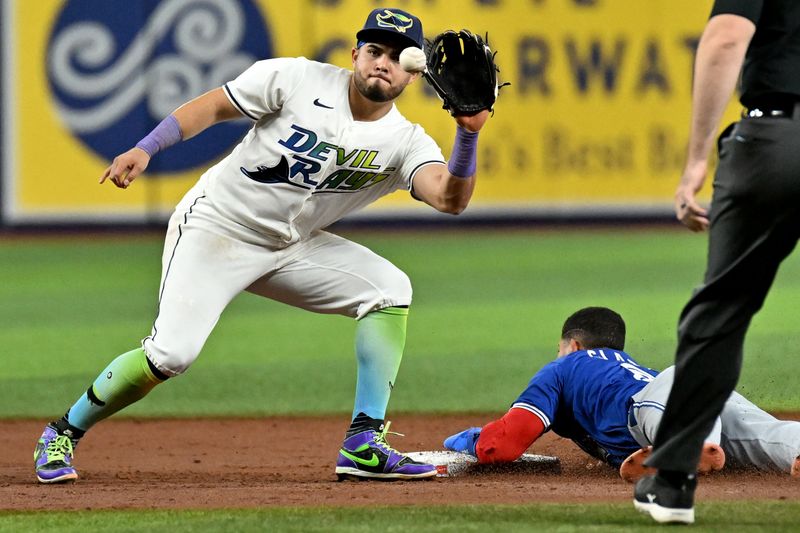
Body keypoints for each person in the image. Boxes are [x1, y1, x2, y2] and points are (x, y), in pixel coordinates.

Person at [33, 7, 490, 484]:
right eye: (374, 50)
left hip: (290, 246)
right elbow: (211, 106)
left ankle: (362, 443)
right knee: (170, 356)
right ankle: (63, 431)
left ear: (413, 73)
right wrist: (147, 147)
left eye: (397, 57)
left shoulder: (404, 141)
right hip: (216, 227)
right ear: (355, 55)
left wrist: (467, 133)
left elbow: (450, 198)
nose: (383, 62)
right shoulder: (296, 78)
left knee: (390, 289)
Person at [633, 1, 800, 524]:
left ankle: (675, 481)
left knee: (721, 312)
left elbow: (727, 38)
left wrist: (695, 163)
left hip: (778, 137)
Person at [443, 307, 800, 486]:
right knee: (765, 433)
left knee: (661, 408)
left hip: (661, 400)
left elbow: (501, 446)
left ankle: (683, 451)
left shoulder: (562, 369)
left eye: (560, 347)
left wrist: (470, 438)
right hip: (697, 394)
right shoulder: (623, 368)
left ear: (574, 345)